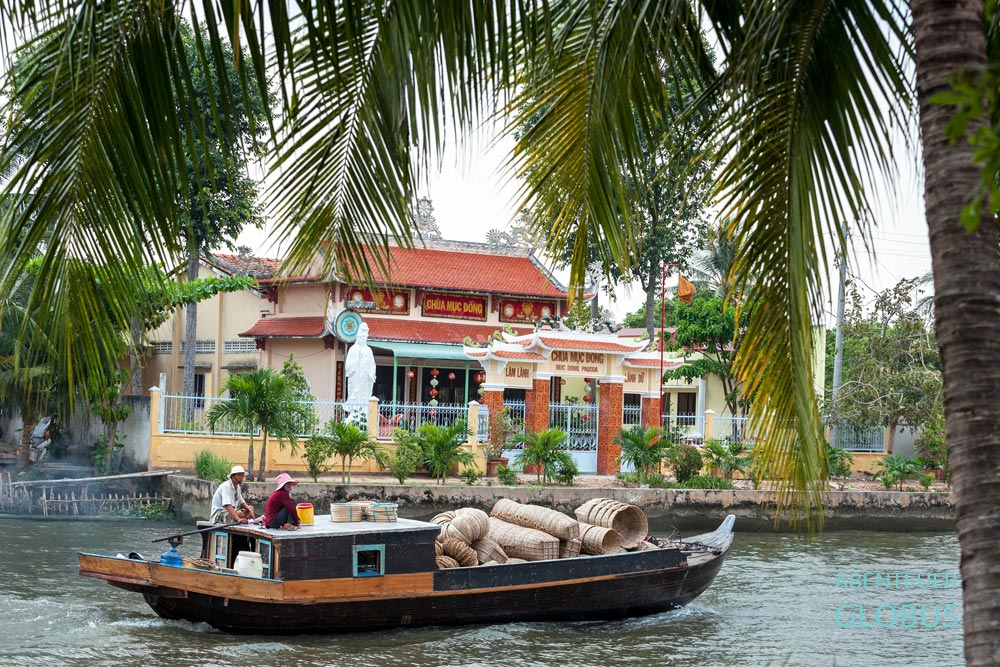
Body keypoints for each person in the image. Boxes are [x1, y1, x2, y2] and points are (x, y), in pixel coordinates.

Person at [344, 321, 376, 421]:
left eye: (365, 337)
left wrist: (371, 373)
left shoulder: (368, 350)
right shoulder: (353, 349)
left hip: (365, 379)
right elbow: (348, 365)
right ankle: (354, 413)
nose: (363, 338)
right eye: (362, 337)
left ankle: (364, 412)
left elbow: (372, 364)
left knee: (365, 396)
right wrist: (356, 361)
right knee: (355, 394)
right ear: (358, 337)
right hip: (356, 377)